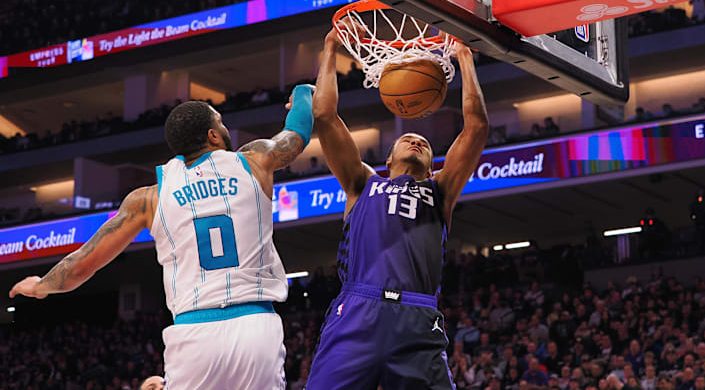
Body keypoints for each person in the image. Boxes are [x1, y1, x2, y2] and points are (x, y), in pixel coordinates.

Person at [9, 87, 315, 389]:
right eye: (220, 122)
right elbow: (297, 133)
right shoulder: (255, 160)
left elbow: (80, 267)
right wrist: (303, 93)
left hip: (193, 333)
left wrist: (41, 285)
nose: (224, 127)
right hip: (254, 325)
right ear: (212, 135)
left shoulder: (149, 198)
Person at [306, 21, 489, 389]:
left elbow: (476, 128)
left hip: (417, 317)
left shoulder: (440, 191)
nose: (416, 142)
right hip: (358, 309)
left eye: (423, 141)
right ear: (386, 162)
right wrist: (329, 49)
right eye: (407, 138)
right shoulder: (362, 183)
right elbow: (325, 117)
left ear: (434, 164)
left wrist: (465, 59)